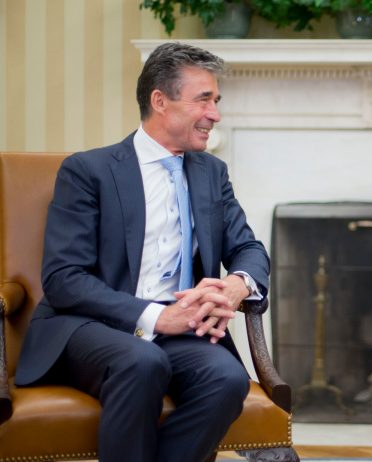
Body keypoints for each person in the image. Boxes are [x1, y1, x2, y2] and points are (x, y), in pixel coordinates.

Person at [14, 42, 270, 462]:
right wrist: (156, 317)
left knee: (226, 378)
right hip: (89, 326)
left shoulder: (211, 173)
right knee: (141, 361)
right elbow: (63, 279)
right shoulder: (88, 171)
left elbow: (248, 248)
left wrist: (235, 286)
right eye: (204, 99)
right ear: (160, 101)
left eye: (217, 101)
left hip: (178, 332)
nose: (216, 114)